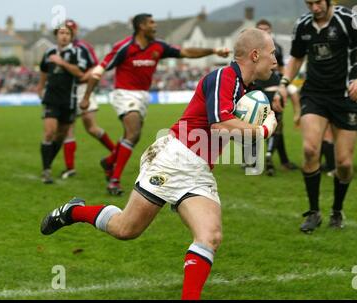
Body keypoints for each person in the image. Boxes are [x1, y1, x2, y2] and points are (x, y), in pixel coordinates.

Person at [40, 28, 278, 300]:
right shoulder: (226, 77)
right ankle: (74, 212)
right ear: (255, 54)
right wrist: (262, 131)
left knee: (210, 235)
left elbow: (233, 136)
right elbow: (221, 124)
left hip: (199, 169)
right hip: (174, 159)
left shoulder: (245, 89)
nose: (275, 60)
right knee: (125, 229)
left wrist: (259, 124)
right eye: (272, 53)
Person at [80, 13, 231, 195]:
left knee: (131, 134)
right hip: (124, 94)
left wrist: (213, 51)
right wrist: (87, 96)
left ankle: (110, 160)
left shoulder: (158, 46)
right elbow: (98, 71)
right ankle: (114, 180)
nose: (155, 26)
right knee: (133, 132)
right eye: (151, 23)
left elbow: (186, 52)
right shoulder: (124, 47)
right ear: (141, 26)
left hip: (143, 96)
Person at [275, 0, 357, 232]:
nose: (314, 8)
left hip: (345, 97)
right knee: (310, 150)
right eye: (309, 3)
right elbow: (296, 58)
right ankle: (313, 212)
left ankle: (337, 210)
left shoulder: (348, 19)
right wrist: (284, 83)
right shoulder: (302, 25)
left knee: (344, 163)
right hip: (314, 96)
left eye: (318, 2)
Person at [60, 19, 116, 179]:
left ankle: (115, 154)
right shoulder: (59, 50)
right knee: (67, 130)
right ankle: (70, 168)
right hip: (66, 92)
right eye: (63, 31)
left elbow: (96, 66)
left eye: (69, 30)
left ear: (75, 32)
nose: (66, 34)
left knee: (91, 127)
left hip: (83, 88)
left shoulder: (83, 47)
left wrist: (85, 76)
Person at [36, 22, 86, 184]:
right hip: (51, 98)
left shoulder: (77, 53)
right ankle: (46, 170)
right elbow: (44, 71)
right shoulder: (49, 52)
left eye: (67, 34)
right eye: (61, 33)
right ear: (56, 36)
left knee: (61, 135)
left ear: (71, 37)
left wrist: (62, 62)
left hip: (69, 100)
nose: (64, 36)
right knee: (49, 132)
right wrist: (40, 87)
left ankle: (47, 163)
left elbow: (80, 73)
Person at [255, 19, 300, 177]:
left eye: (266, 29)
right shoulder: (251, 49)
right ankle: (264, 157)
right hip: (257, 92)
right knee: (269, 126)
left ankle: (280, 160)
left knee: (274, 125)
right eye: (260, 30)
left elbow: (281, 68)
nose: (264, 32)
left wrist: (283, 84)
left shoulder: (277, 48)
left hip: (274, 90)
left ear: (271, 30)